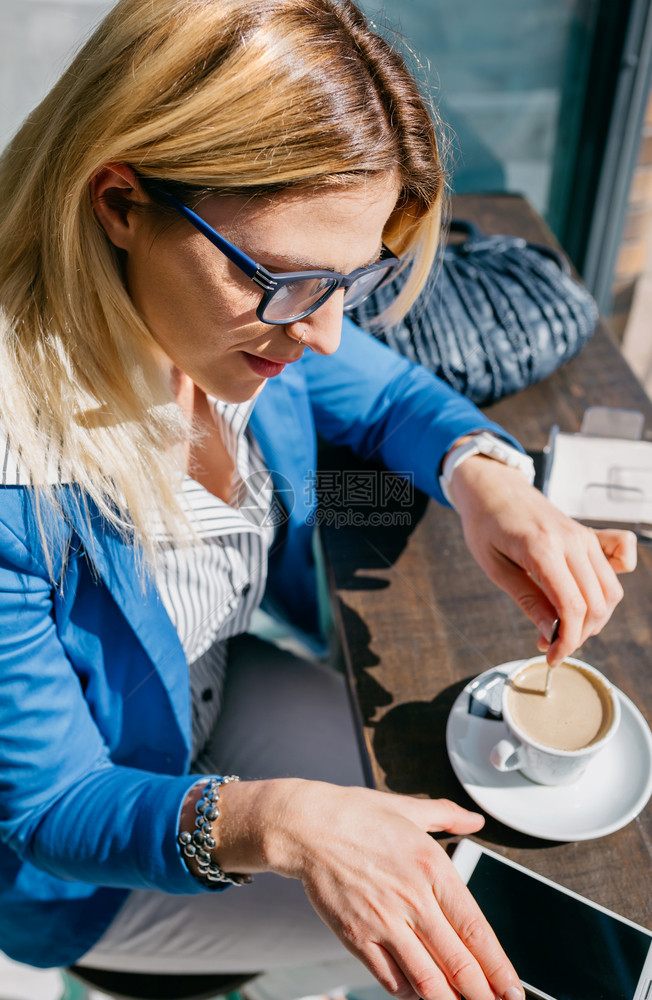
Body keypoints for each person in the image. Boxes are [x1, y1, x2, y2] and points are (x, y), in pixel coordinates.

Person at [0, 2, 636, 1000]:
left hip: (203, 697)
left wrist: (489, 481)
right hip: (89, 865)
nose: (328, 334)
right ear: (119, 203)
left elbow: (388, 397)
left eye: (354, 280)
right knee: (415, 930)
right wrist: (274, 824)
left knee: (451, 817)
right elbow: (53, 805)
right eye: (292, 282)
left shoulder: (224, 317)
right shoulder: (17, 474)